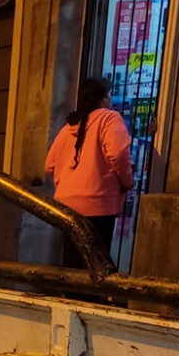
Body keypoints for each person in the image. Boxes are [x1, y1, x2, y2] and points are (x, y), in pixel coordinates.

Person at [45, 77, 134, 268]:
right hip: (99, 204)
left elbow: (49, 165)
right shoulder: (109, 118)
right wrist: (127, 181)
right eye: (109, 94)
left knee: (73, 262)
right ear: (103, 98)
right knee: (95, 265)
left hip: (67, 207)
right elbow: (118, 153)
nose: (110, 99)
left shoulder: (70, 126)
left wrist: (66, 186)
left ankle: (69, 296)